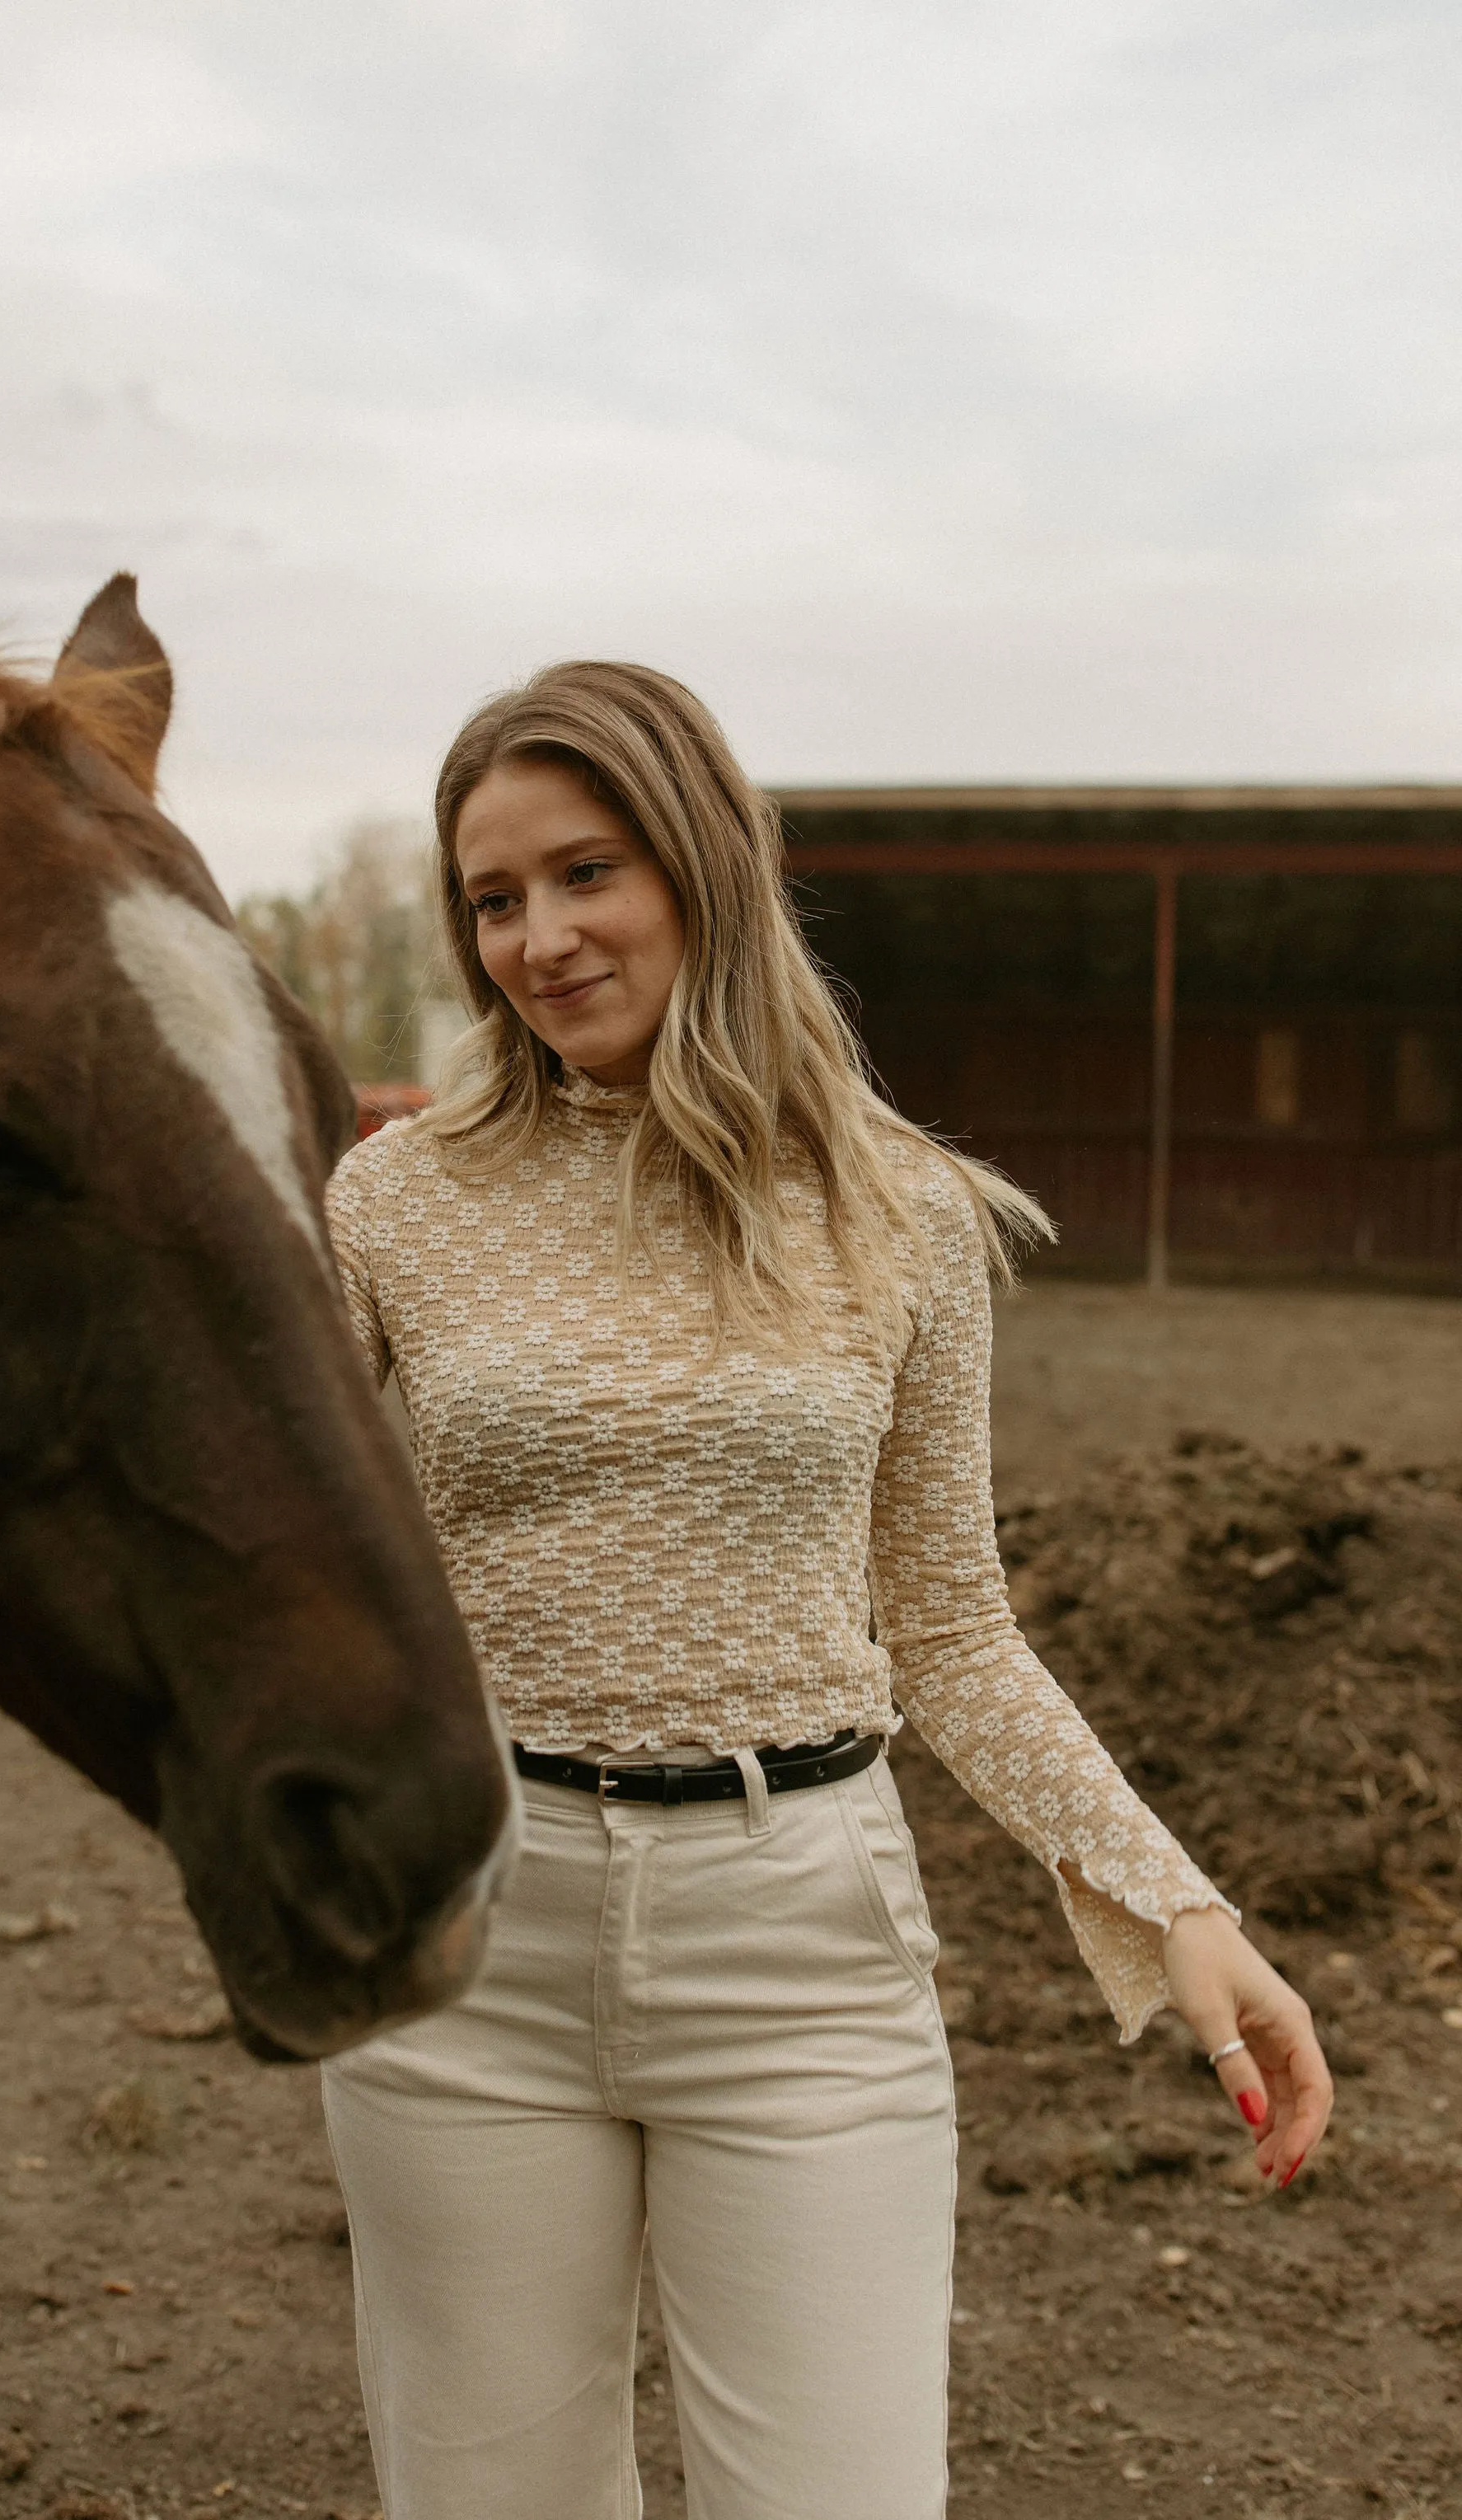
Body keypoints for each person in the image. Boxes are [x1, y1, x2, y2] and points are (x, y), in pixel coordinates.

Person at [319, 661, 1333, 2520]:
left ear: (702, 864)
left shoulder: (901, 1212)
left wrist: (1171, 1902)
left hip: (797, 1955)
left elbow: (946, 1620)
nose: (537, 937)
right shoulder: (392, 1206)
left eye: (584, 871)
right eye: (491, 897)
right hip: (476, 1950)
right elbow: (307, 1560)